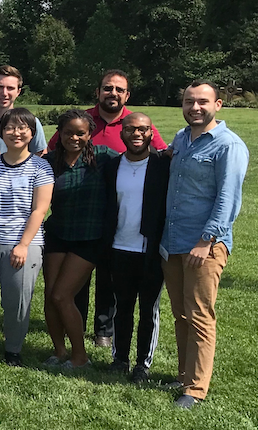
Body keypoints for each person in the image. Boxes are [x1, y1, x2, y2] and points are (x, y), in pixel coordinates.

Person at [47, 69, 167, 347]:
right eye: (107, 88)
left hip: (109, 216)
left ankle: (103, 329)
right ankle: (72, 322)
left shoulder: (135, 123)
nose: (112, 93)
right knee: (72, 285)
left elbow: (157, 154)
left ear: (126, 95)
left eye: (118, 89)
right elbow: (50, 154)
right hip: (68, 222)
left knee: (108, 281)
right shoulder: (83, 118)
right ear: (98, 91)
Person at [161, 80, 248, 409]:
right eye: (188, 101)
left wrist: (206, 240)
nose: (194, 107)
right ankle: (184, 375)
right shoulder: (182, 138)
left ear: (218, 105)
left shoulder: (228, 145)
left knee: (199, 316)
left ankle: (195, 389)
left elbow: (228, 200)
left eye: (202, 102)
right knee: (180, 315)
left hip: (204, 245)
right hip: (173, 241)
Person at [0, 108, 54, 366]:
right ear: (2, 132)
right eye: (10, 128)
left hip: (24, 245)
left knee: (17, 301)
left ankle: (13, 349)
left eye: (22, 128)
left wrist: (23, 245)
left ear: (32, 133)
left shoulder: (41, 167)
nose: (16, 133)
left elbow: (40, 209)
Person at [41, 109, 117, 369]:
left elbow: (138, 160)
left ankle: (80, 356)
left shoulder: (105, 158)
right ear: (59, 134)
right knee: (51, 295)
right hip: (57, 234)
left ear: (90, 134)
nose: (74, 137)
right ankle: (60, 351)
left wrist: (168, 154)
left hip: (89, 237)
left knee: (63, 296)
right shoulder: (49, 161)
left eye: (80, 133)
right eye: (68, 133)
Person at [103, 113, 170, 383]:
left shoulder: (162, 166)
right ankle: (120, 359)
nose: (137, 134)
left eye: (143, 129)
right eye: (131, 129)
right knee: (123, 307)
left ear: (151, 133)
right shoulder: (112, 166)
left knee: (148, 310)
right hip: (119, 247)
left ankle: (143, 364)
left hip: (150, 250)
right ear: (122, 133)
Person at [0, 65, 48, 154]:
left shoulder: (31, 122)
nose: (4, 93)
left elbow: (40, 156)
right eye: (0, 87)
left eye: (10, 88)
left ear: (18, 92)